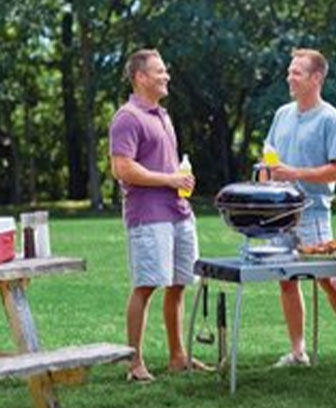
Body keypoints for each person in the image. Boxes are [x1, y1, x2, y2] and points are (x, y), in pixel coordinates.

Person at [109, 49, 208, 382]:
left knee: (179, 284)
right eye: (160, 71)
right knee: (147, 285)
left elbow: (163, 163)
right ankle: (134, 363)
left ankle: (178, 356)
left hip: (178, 212)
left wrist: (181, 177)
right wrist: (169, 179)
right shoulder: (127, 117)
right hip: (149, 216)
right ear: (140, 77)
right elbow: (122, 168)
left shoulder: (162, 115)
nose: (166, 76)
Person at [264, 48, 336, 369]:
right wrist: (267, 180)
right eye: (290, 71)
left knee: (327, 278)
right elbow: (269, 157)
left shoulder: (331, 120)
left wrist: (293, 173)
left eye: (296, 72)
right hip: (279, 213)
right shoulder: (281, 114)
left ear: (316, 78)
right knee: (286, 280)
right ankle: (298, 353)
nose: (289, 77)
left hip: (313, 212)